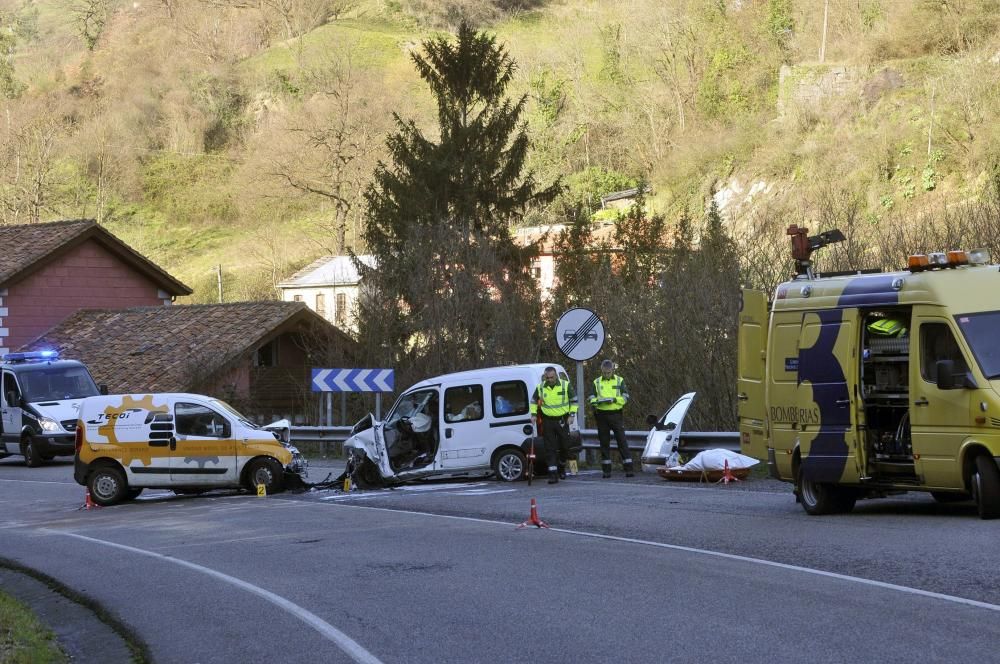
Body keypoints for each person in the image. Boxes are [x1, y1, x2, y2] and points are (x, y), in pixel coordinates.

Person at [530, 366, 577, 484]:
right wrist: (534, 414)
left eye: (552, 377)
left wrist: (571, 415)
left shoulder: (565, 385)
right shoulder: (540, 387)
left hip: (562, 420)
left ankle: (561, 467)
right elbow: (533, 401)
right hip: (548, 421)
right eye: (547, 378)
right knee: (549, 448)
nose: (550, 380)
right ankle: (553, 475)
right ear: (544, 377)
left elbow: (574, 400)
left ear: (556, 375)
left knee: (565, 446)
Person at [588, 359, 633, 478]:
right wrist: (596, 402)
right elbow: (591, 397)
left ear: (613, 370)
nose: (606, 375)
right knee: (604, 443)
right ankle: (606, 470)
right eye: (604, 372)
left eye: (608, 372)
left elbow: (626, 396)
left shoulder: (619, 380)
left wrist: (614, 400)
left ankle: (629, 469)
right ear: (601, 371)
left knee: (622, 441)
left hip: (616, 414)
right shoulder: (596, 382)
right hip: (601, 414)